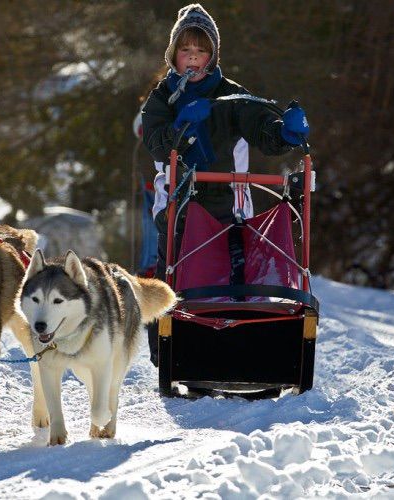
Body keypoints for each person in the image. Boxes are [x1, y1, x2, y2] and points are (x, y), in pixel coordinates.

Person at [140, 3, 310, 366]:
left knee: (232, 281)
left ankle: (237, 350)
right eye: (186, 50)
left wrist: (286, 132)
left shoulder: (232, 96)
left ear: (212, 56)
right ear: (174, 55)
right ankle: (167, 353)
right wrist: (180, 126)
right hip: (177, 207)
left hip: (228, 208)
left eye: (201, 51)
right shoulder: (160, 99)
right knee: (172, 277)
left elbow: (263, 130)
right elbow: (155, 142)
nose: (193, 58)